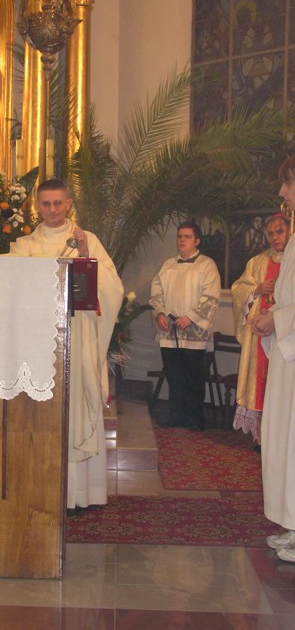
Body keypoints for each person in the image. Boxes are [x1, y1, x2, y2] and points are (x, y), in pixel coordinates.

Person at [10, 179, 124, 509]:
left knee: (75, 408)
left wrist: (85, 255)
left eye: (58, 203)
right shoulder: (24, 246)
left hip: (77, 337)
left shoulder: (87, 240)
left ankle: (78, 494)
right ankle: (42, 490)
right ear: (36, 206)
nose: (53, 210)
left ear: (69, 203)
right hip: (37, 342)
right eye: (46, 204)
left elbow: (113, 288)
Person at [252, 156, 295, 562]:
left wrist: (277, 318)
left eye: (287, 184)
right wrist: (273, 317)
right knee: (284, 438)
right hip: (287, 353)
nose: (282, 192)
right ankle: (292, 525)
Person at [149, 220, 221, 430]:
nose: (182, 240)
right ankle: (176, 416)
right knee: (174, 376)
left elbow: (211, 296)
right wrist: (160, 314)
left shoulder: (207, 265)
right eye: (180, 236)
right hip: (170, 330)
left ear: (197, 241)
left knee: (193, 378)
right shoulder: (168, 265)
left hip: (193, 331)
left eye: (187, 237)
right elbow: (156, 293)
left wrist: (190, 317)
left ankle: (195, 419)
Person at [231, 214, 290, 445]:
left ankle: (280, 440)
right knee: (261, 385)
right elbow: (238, 290)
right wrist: (257, 289)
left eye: (280, 231)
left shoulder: (293, 261)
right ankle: (261, 439)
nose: (275, 237)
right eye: (271, 233)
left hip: (285, 335)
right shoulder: (257, 263)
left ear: (290, 231)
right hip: (260, 336)